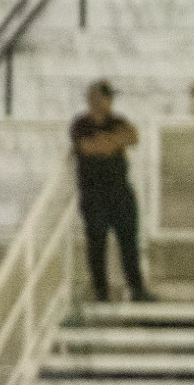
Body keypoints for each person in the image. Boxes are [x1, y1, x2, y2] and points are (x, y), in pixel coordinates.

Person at [70, 81, 153, 302]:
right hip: (94, 194)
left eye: (105, 98)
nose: (101, 103)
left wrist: (109, 141)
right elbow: (88, 147)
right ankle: (101, 291)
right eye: (97, 98)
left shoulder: (117, 121)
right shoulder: (81, 124)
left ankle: (137, 288)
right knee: (96, 244)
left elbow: (133, 136)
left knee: (129, 242)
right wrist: (113, 141)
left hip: (119, 192)